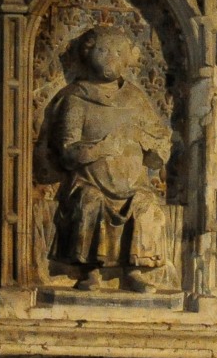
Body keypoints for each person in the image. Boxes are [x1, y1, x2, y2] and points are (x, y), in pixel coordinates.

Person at [42, 27, 172, 291]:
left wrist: (151, 144)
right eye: (103, 50)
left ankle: (135, 270)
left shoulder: (134, 98)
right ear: (88, 54)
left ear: (128, 58)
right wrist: (102, 148)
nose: (111, 58)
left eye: (118, 52)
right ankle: (91, 271)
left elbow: (159, 145)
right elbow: (66, 152)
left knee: (147, 205)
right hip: (91, 183)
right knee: (90, 202)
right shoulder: (77, 98)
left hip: (132, 186)